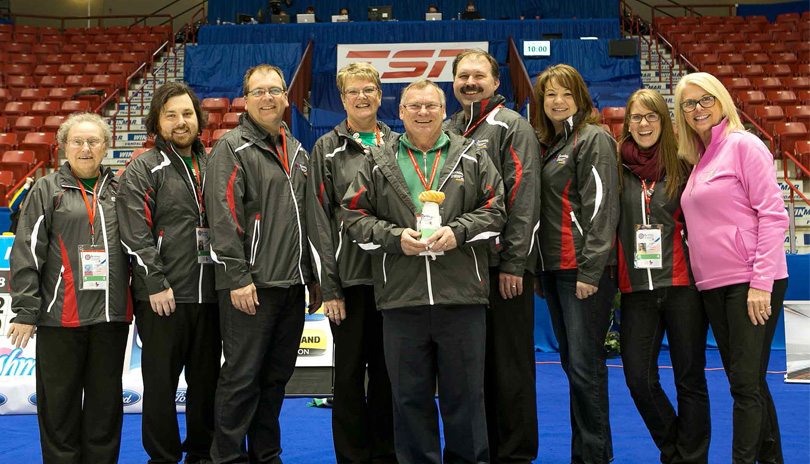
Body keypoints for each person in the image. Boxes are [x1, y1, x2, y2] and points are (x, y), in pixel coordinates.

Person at [341, 78, 506, 464]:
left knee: (465, 398)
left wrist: (459, 232)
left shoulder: (472, 155)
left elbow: (497, 209)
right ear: (399, 112)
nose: (422, 112)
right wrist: (396, 238)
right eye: (413, 106)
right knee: (409, 400)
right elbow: (354, 217)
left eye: (431, 105)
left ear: (444, 110)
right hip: (401, 298)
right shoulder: (377, 160)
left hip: (461, 296)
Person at [204, 64, 322, 464]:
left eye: (275, 90)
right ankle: (227, 457)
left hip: (291, 286)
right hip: (249, 287)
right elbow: (222, 216)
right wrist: (238, 277)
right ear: (246, 99)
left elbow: (307, 220)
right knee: (241, 380)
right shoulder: (231, 148)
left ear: (287, 97)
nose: (268, 97)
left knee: (275, 380)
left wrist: (313, 277)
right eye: (258, 91)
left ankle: (266, 454)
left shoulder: (298, 150)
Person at [675, 72, 789, 464]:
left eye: (705, 99)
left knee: (744, 385)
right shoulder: (699, 160)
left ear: (721, 100)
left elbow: (774, 216)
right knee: (749, 382)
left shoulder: (743, 145)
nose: (698, 109)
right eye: (688, 104)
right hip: (713, 286)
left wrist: (761, 283)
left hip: (751, 281)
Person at [7, 112, 130, 463]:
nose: (86, 148)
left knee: (105, 408)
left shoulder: (120, 190)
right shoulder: (47, 189)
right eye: (77, 141)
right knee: (58, 408)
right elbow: (27, 251)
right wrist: (26, 311)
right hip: (58, 318)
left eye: (94, 141)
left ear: (106, 146)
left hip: (110, 317)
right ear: (64, 147)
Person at [117, 82, 221, 464]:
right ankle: (161, 457)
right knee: (160, 385)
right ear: (157, 122)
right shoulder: (144, 167)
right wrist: (156, 283)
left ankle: (202, 453)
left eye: (188, 114)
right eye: (171, 115)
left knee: (206, 383)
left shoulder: (214, 163)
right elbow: (134, 232)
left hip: (210, 294)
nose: (181, 122)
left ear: (199, 118)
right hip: (162, 297)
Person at [445, 49, 540, 464]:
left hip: (503, 268)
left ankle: (515, 454)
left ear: (496, 82)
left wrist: (514, 262)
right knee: (473, 370)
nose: (470, 82)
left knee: (511, 367)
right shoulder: (449, 128)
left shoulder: (510, 125)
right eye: (463, 75)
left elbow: (523, 197)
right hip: (463, 270)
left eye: (478, 76)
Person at [306, 62, 397, 464]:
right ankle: (353, 457)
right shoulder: (326, 149)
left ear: (380, 95)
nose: (362, 97)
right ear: (342, 99)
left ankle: (387, 453)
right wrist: (330, 288)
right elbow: (319, 222)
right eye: (353, 91)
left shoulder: (398, 142)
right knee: (346, 378)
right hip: (350, 281)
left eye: (369, 90)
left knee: (389, 375)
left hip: (396, 281)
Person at [616, 89, 710, 464]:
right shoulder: (615, 166)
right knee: (638, 378)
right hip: (635, 288)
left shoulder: (686, 166)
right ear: (627, 124)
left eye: (651, 116)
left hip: (683, 286)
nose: (643, 124)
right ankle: (674, 447)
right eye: (636, 118)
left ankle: (693, 458)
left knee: (690, 380)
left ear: (665, 122)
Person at [532, 64, 619, 464]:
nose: (558, 101)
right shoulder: (551, 144)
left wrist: (591, 269)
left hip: (582, 270)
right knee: (574, 367)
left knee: (585, 369)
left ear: (581, 97)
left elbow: (602, 209)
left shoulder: (594, 137)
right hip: (554, 270)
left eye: (566, 93)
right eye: (550, 94)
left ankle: (595, 457)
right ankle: (584, 454)